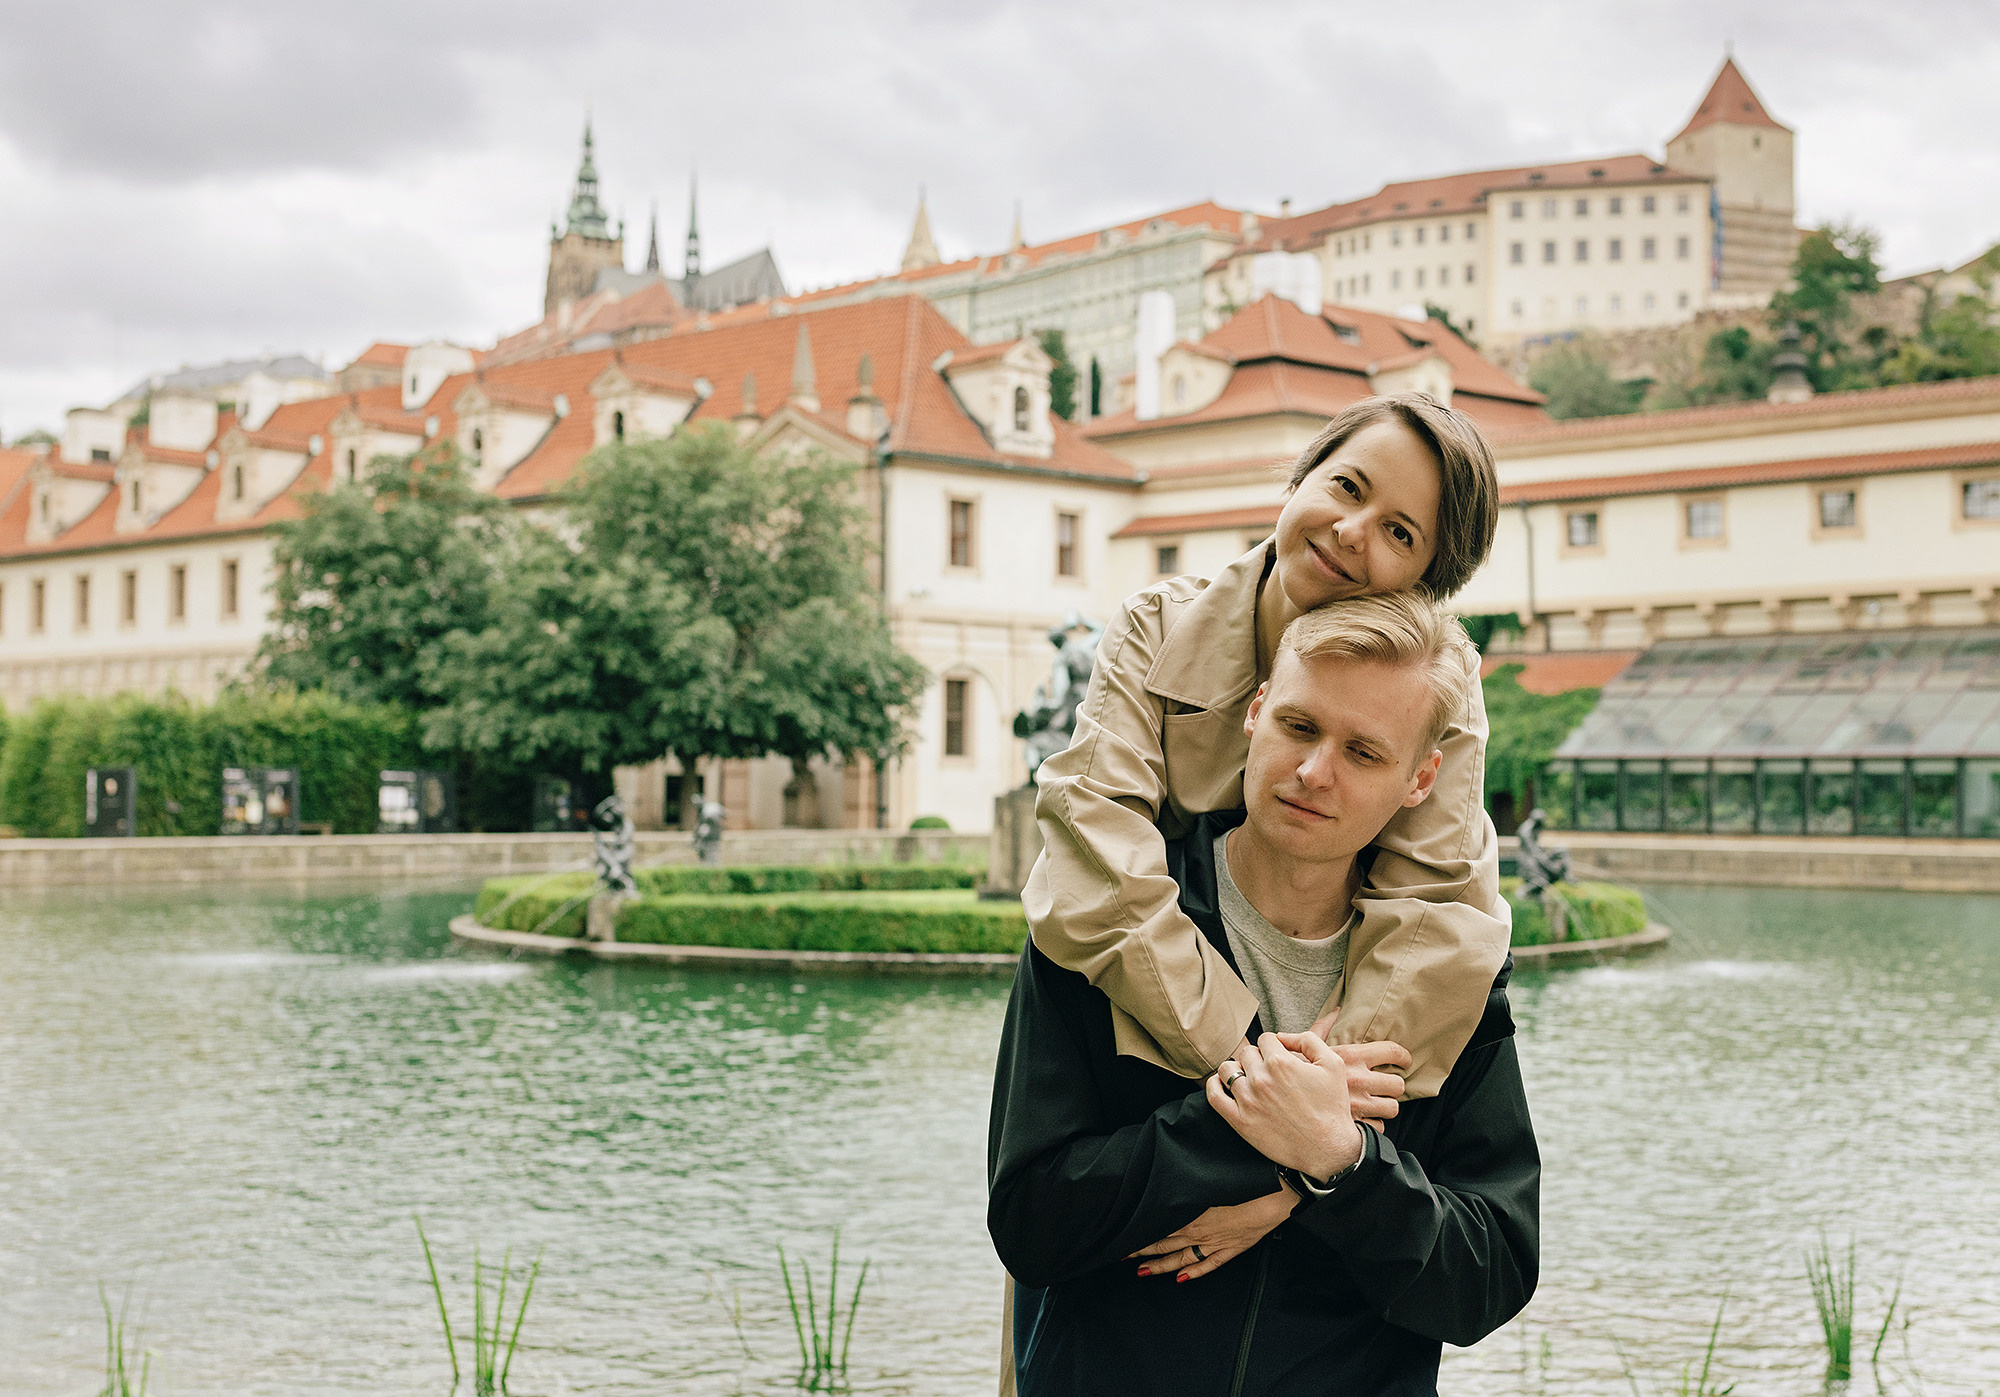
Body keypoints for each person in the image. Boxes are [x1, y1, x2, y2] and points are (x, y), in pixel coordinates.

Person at [990, 595, 1539, 1395]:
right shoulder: (1105, 920)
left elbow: (1490, 1275)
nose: (1314, 771)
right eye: (1299, 726)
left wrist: (1340, 1163)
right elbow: (1031, 1220)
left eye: (1363, 751)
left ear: (1421, 779)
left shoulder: (1454, 972)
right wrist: (1246, 1127)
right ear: (1255, 711)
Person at [1026, 391, 1509, 1101]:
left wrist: (1324, 1091)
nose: (1351, 530)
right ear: (1301, 477)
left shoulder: (1442, 684)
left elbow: (1439, 914)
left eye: (1400, 532)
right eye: (1348, 486)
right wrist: (1256, 1068)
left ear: (1425, 585)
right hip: (1145, 1052)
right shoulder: (1157, 627)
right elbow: (1095, 853)